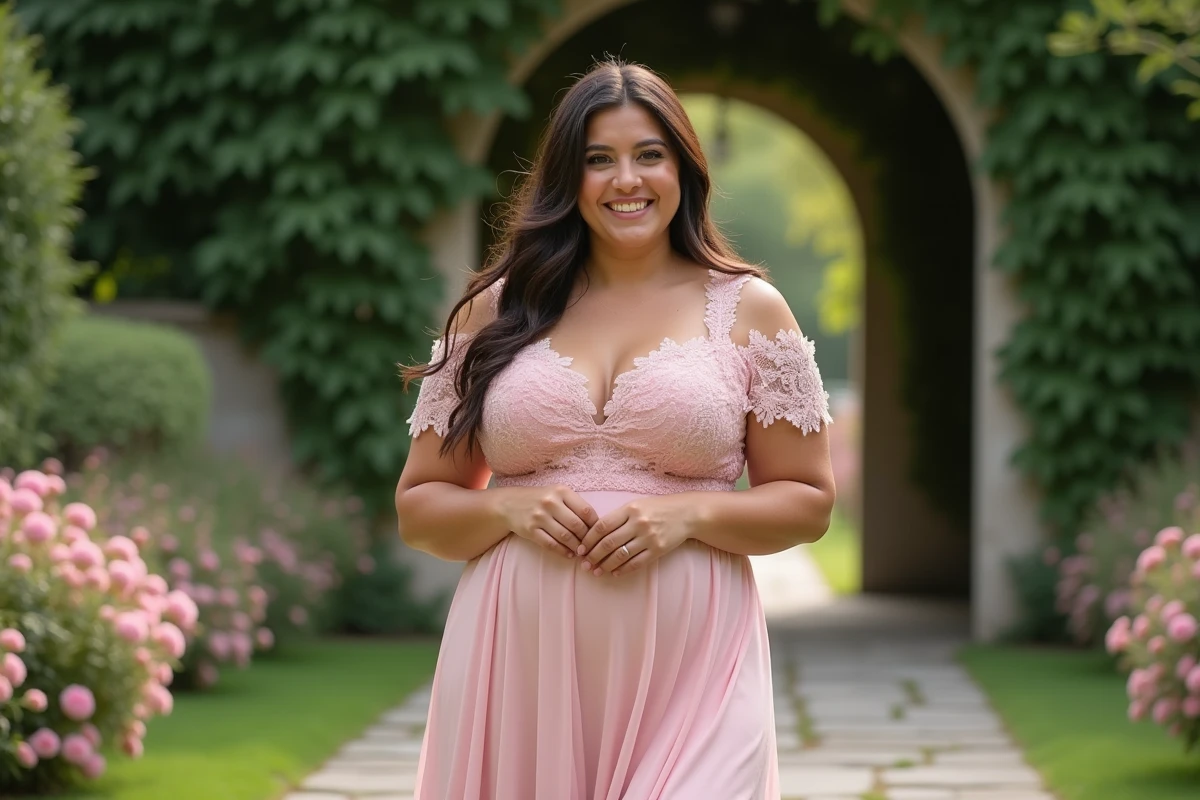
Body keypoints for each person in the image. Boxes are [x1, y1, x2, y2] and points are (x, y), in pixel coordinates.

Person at [396, 58, 836, 800]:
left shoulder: (751, 310)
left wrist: (689, 514)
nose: (625, 179)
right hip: (519, 665)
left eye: (648, 155)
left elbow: (809, 500)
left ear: (683, 169)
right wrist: (504, 506)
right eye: (599, 159)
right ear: (569, 178)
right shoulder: (494, 313)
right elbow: (420, 508)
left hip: (695, 665)